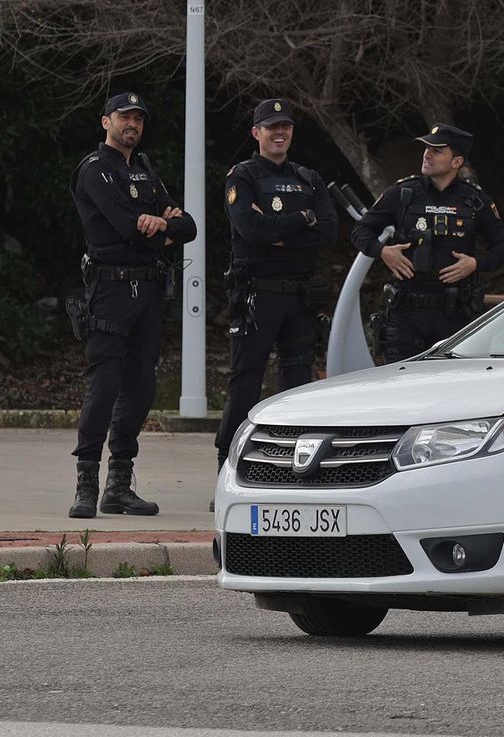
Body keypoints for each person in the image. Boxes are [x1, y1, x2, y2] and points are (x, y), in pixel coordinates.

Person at [67, 92, 197, 518]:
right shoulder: (95, 169)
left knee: (140, 388)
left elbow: (190, 227)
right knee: (104, 386)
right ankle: (86, 484)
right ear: (106, 121)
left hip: (149, 291)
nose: (133, 124)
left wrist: (164, 225)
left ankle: (118, 486)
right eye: (125, 116)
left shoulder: (144, 170)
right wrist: (165, 227)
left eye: (139, 118)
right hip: (110, 291)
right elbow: (126, 227)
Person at [217, 98, 337, 468]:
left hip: (300, 297)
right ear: (257, 133)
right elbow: (251, 230)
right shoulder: (243, 177)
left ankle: (287, 465)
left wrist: (279, 232)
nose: (280, 132)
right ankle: (229, 464)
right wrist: (303, 219)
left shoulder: (308, 178)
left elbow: (329, 232)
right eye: (272, 127)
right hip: (258, 294)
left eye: (285, 126)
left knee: (297, 384)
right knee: (245, 382)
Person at [351, 124, 504, 362]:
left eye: (437, 150)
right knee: (401, 381)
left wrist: (475, 263)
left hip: (455, 315)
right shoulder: (404, 193)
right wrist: (383, 251)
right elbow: (360, 231)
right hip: (406, 314)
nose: (427, 154)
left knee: (452, 382)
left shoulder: (475, 201)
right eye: (426, 148)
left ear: (457, 161)